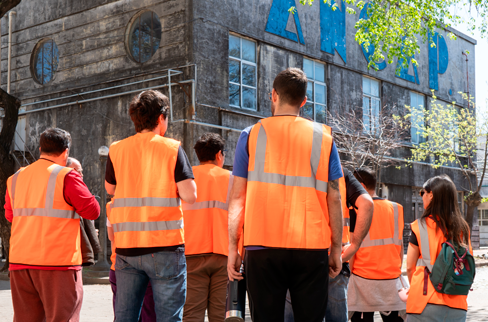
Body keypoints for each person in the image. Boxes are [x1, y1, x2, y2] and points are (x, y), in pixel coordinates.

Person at [227, 68, 344, 322]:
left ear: (273, 95)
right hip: (311, 247)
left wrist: (232, 248)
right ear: (304, 101)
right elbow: (334, 197)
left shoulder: (251, 135)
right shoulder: (324, 138)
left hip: (261, 246)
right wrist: (336, 248)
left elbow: (237, 197)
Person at [106, 89, 197, 322]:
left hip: (127, 248)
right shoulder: (172, 148)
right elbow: (189, 195)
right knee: (168, 318)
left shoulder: (116, 149)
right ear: (161, 118)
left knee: (125, 317)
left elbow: (110, 189)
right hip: (165, 247)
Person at [5, 128, 101, 322]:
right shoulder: (67, 176)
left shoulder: (15, 178)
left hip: (21, 263)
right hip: (58, 264)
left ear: (40, 149)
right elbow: (93, 211)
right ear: (66, 152)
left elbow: (10, 215)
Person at [285, 168, 374, 322]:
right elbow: (366, 204)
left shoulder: (290, 166)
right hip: (333, 261)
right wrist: (353, 246)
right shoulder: (340, 173)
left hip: (294, 258)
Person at [406, 175, 471, 321]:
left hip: (424, 303)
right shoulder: (463, 228)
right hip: (457, 304)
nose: (422, 196)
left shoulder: (419, 226)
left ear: (431, 195)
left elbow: (410, 268)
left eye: (423, 193)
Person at [183, 133, 232, 322]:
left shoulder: (186, 179)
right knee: (221, 315)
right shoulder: (233, 179)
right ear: (219, 154)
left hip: (192, 254)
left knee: (192, 314)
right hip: (224, 255)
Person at [348, 168, 406, 322]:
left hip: (363, 281)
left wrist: (350, 276)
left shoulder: (356, 209)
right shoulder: (396, 208)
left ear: (360, 185)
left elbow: (352, 249)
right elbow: (400, 247)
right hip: (391, 281)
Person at [106, 201, 157, 321]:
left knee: (123, 314)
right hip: (149, 262)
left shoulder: (112, 205)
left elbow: (110, 236)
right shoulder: (152, 202)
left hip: (119, 263)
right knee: (149, 314)